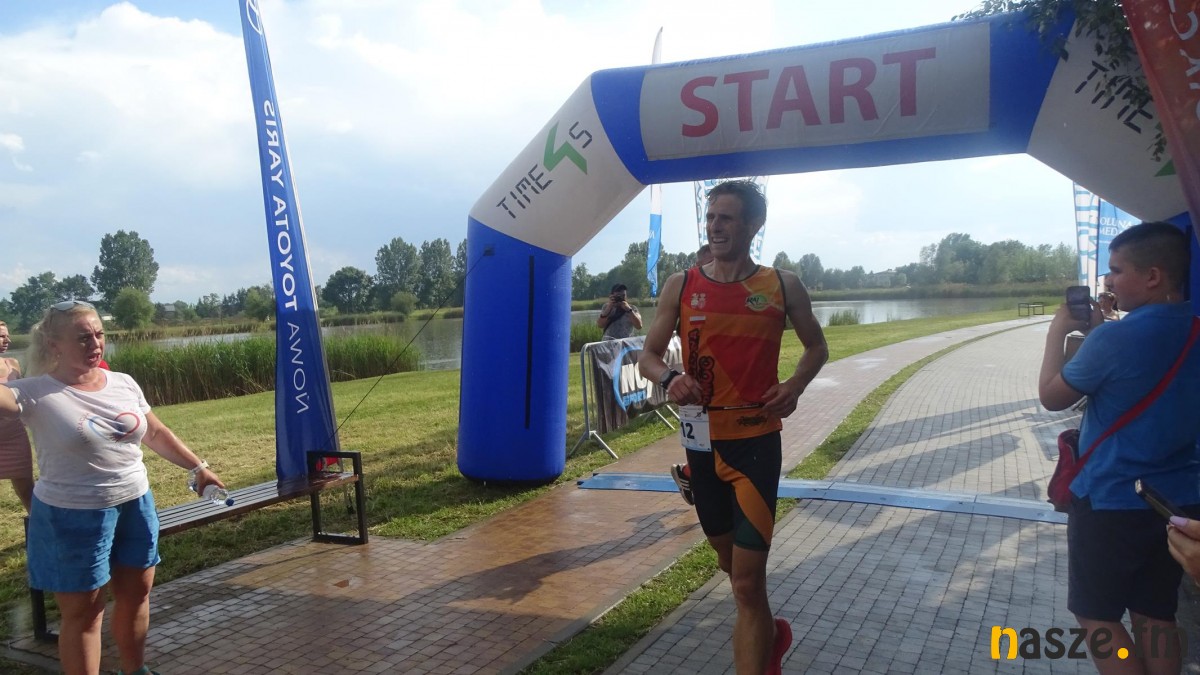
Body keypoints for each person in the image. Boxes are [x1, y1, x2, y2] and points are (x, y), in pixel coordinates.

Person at [639, 180, 828, 675]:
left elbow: (817, 347)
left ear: (753, 225)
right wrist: (671, 378)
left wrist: (794, 386)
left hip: (756, 444)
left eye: (725, 218)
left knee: (745, 583)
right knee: (731, 568)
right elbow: (648, 357)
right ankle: (771, 636)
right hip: (701, 447)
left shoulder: (782, 285)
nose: (715, 226)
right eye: (710, 217)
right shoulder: (682, 285)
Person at [0, 301, 225, 675]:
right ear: (54, 344)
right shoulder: (34, 392)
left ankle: (134, 670)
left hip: (135, 504)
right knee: (84, 614)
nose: (94, 343)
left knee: (136, 596)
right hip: (71, 515)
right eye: (82, 337)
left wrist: (198, 467)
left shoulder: (123, 382)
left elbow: (155, 432)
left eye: (99, 334)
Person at [1038, 222, 1200, 674]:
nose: (1107, 281)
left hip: (1110, 498)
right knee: (1156, 612)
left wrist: (1057, 332)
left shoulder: (1113, 338)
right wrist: (1100, 330)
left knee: (1096, 615)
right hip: (1177, 502)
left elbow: (1052, 397)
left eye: (1116, 270)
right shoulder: (1194, 330)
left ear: (1152, 276)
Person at [0, 320, 33, 511]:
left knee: (27, 490)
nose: (8, 340)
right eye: (2, 336)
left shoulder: (13, 364)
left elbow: (22, 397)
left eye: (8, 335)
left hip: (14, 435)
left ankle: (37, 526)